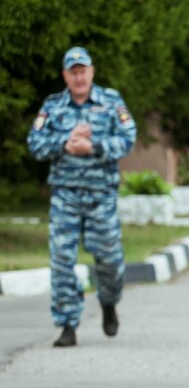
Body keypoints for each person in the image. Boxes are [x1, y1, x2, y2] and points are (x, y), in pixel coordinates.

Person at [27, 46, 137, 348]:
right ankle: (67, 324)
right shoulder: (52, 106)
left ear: (92, 71)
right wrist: (65, 143)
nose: (79, 76)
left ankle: (108, 302)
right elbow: (34, 143)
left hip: (101, 195)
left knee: (110, 262)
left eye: (83, 70)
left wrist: (94, 147)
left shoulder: (111, 101)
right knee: (62, 261)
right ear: (65, 75)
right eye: (73, 71)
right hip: (65, 196)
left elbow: (128, 138)